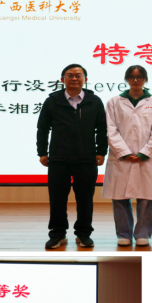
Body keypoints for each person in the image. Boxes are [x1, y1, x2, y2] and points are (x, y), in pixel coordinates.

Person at [37, 63, 108, 249]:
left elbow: (102, 129)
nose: (74, 78)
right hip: (58, 158)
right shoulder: (52, 101)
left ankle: (84, 234)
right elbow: (42, 128)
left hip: (86, 158)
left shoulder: (94, 101)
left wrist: (101, 151)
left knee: (85, 199)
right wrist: (42, 152)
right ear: (62, 79)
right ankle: (57, 234)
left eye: (78, 75)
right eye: (70, 75)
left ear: (85, 79)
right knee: (57, 198)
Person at [104, 64, 152, 246]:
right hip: (120, 158)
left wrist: (145, 152)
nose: (136, 80)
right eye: (131, 77)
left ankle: (143, 233)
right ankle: (124, 233)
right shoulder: (115, 101)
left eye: (139, 77)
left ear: (145, 79)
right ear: (126, 79)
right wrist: (124, 152)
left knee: (146, 197)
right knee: (119, 197)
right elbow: (111, 129)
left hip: (147, 158)